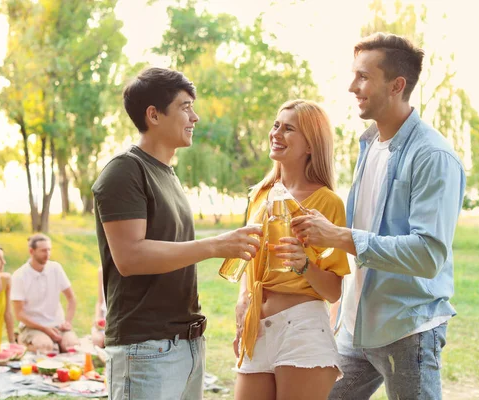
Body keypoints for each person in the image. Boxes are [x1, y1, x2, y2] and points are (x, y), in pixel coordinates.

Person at [290, 33, 466, 400]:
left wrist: (338, 236)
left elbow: (428, 254)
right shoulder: (369, 144)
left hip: (407, 331)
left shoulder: (433, 156)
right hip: (355, 329)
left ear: (397, 85)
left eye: (364, 77)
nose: (352, 86)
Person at [92, 67, 262, 400]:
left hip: (186, 343)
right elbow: (129, 257)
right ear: (153, 115)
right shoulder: (125, 171)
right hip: (145, 350)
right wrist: (214, 245)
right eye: (185, 107)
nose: (195, 117)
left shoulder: (167, 172)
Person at [233, 100, 350, 400]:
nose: (276, 133)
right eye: (276, 126)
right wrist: (243, 304)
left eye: (288, 129)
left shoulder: (328, 203)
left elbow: (334, 291)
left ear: (311, 145)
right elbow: (249, 259)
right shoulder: (259, 196)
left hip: (302, 329)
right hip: (257, 327)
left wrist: (304, 266)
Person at [11, 234, 80, 353]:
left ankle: (56, 344)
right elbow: (19, 314)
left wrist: (67, 322)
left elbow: (71, 298)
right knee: (47, 348)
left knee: (72, 347)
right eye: (43, 250)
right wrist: (46, 329)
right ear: (31, 251)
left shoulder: (56, 268)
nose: (47, 254)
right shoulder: (19, 275)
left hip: (58, 325)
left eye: (49, 249)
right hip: (32, 327)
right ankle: (22, 340)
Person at [91, 267, 106, 348]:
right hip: (104, 322)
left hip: (118, 322)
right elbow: (100, 301)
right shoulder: (101, 271)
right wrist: (98, 317)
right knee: (98, 340)